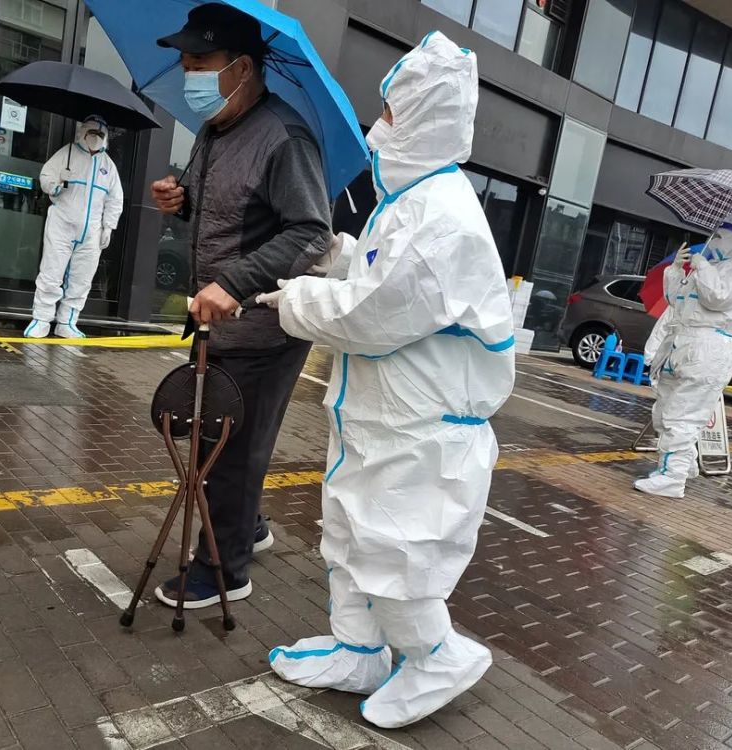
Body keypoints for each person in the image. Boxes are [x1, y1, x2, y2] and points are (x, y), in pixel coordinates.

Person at [259, 32, 516, 729]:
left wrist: (299, 301)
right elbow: (381, 281)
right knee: (348, 535)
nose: (378, 130)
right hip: (380, 419)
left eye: (394, 115)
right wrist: (343, 257)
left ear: (429, 119)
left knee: (399, 552)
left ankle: (437, 655)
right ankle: (359, 648)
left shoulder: (445, 216)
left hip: (421, 431)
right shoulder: (410, 203)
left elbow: (376, 313)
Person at [149, 4, 332, 609]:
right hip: (217, 324)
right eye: (183, 64)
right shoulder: (213, 131)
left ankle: (224, 570)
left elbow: (311, 232)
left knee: (226, 448)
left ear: (242, 67)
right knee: (223, 440)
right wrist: (180, 200)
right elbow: (227, 214)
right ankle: (246, 523)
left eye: (198, 63)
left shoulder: (285, 136)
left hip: (263, 328)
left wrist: (237, 283)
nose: (188, 75)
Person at [635, 216, 732, 498]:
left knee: (682, 415)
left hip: (708, 347)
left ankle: (672, 477)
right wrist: (676, 271)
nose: (716, 238)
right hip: (681, 343)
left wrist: (703, 268)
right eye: (716, 232)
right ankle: (684, 464)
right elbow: (677, 302)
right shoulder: (707, 267)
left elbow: (716, 298)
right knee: (665, 412)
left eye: (726, 234)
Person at [25, 115, 124, 339]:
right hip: (62, 223)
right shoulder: (67, 154)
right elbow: (46, 176)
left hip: (92, 231)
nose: (95, 138)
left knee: (82, 278)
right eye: (91, 133)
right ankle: (41, 318)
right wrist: (56, 185)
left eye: (100, 135)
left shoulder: (108, 166)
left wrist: (108, 226)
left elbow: (115, 199)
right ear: (83, 132)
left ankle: (67, 322)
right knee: (52, 271)